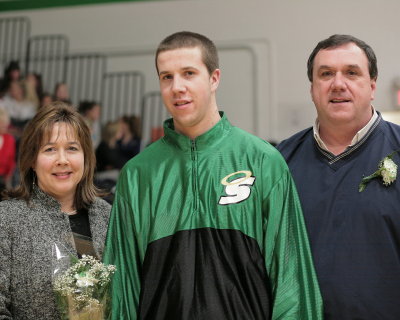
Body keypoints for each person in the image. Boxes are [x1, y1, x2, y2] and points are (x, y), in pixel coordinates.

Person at [103, 31, 322, 319]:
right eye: (166, 77)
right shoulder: (138, 175)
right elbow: (122, 289)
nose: (176, 87)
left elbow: (291, 281)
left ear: (214, 78)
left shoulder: (263, 161)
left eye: (188, 73)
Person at [277, 34, 400, 319]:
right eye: (326, 74)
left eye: (352, 72)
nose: (338, 84)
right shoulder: (281, 161)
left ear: (372, 86)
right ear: (312, 89)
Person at [0, 101, 111, 319]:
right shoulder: (7, 219)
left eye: (72, 148)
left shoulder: (106, 215)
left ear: (86, 157)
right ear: (32, 159)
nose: (62, 160)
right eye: (50, 149)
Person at [0, 108, 16, 195]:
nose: (5, 126)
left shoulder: (9, 139)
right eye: (2, 123)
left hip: (3, 181)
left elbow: (11, 162)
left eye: (5, 123)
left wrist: (8, 183)